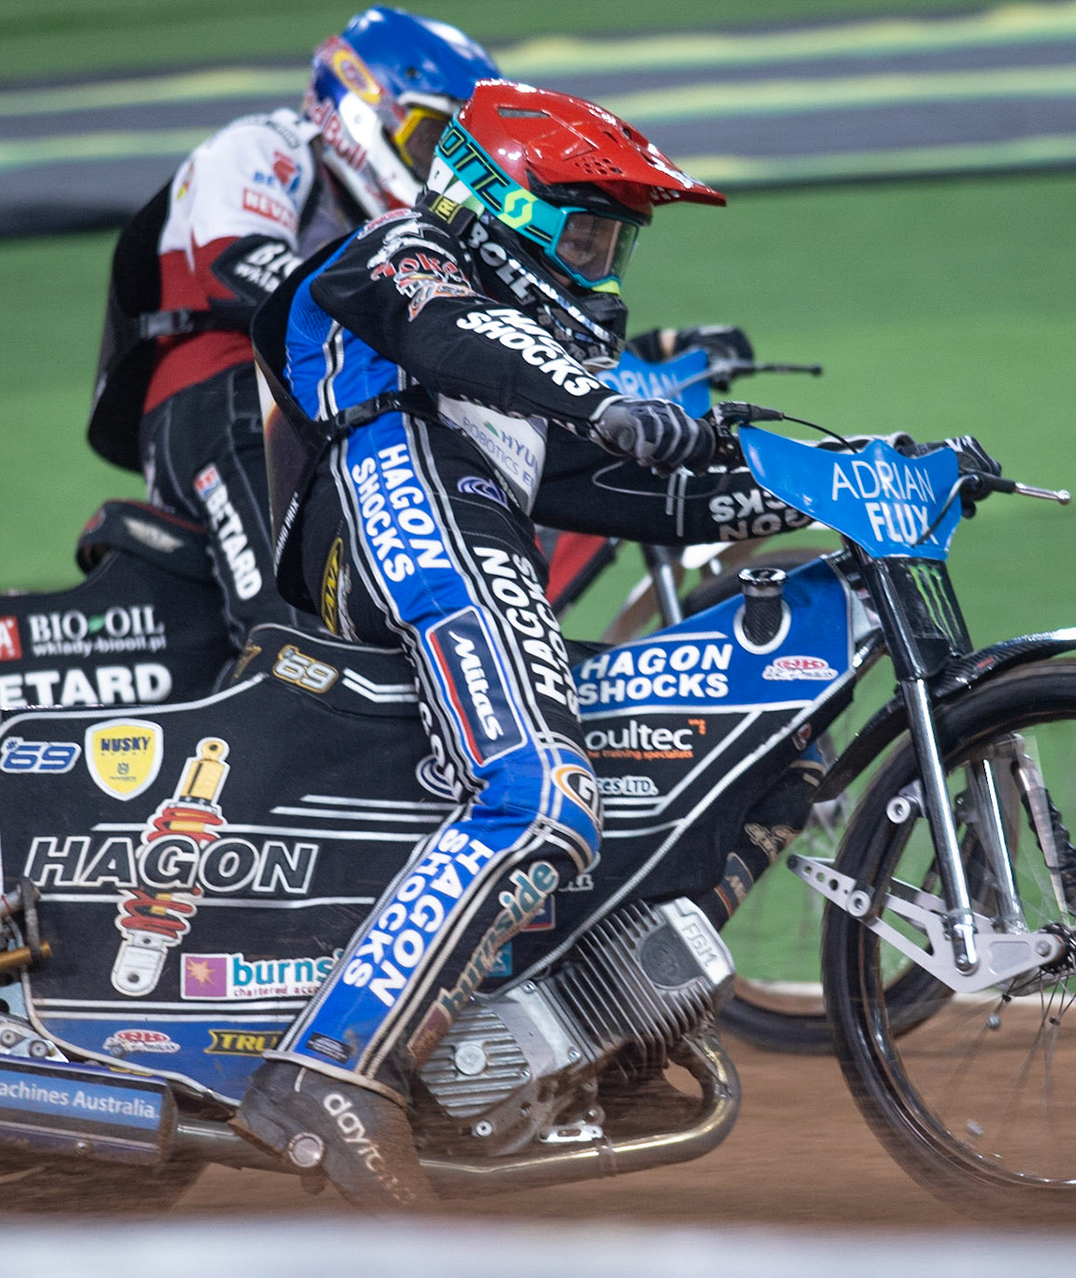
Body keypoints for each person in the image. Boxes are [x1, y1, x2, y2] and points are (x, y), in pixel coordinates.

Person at [235, 79, 824, 1207]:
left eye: (618, 242)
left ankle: (602, 1032)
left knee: (740, 750)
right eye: (587, 233)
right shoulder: (398, 251)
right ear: (497, 203)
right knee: (541, 793)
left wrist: (826, 486)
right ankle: (327, 1071)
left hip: (456, 515)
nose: (603, 269)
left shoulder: (499, 382)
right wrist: (601, 398)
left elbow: (613, 490)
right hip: (392, 502)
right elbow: (457, 330)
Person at [83, 7, 501, 688]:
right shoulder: (264, 142)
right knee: (289, 629)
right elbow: (233, 261)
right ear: (360, 101)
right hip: (226, 395)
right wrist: (401, 317)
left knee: (356, 616)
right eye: (431, 140)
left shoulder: (395, 226)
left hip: (306, 415)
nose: (436, 168)